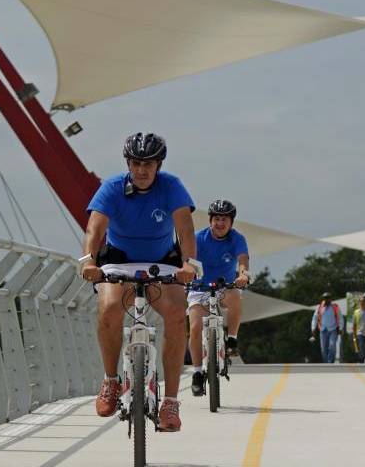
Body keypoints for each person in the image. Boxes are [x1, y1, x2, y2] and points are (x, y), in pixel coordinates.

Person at [80, 132, 198, 432]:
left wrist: (189, 264)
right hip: (119, 260)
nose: (142, 170)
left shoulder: (171, 186)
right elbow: (95, 228)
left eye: (149, 164)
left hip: (161, 261)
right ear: (128, 164)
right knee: (108, 307)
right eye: (135, 163)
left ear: (159, 164)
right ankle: (110, 381)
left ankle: (170, 401)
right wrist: (89, 261)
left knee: (175, 316)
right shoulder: (112, 187)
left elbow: (184, 228)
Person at [187, 199, 250, 396]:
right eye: (216, 219)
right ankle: (197, 372)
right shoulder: (198, 238)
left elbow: (242, 260)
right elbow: (186, 259)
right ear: (210, 220)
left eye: (224, 219)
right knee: (195, 327)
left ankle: (231, 339)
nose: (219, 223)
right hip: (200, 287)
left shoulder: (237, 238)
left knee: (235, 297)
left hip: (225, 286)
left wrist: (243, 275)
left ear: (231, 222)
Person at [311, 292, 343, 363]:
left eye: (328, 298)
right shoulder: (319, 307)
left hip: (333, 329)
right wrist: (313, 328)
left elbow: (340, 317)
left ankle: (330, 361)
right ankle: (326, 363)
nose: (327, 300)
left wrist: (340, 328)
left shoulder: (335, 307)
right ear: (323, 299)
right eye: (325, 298)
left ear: (331, 299)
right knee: (323, 349)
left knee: (332, 346)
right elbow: (315, 318)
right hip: (323, 330)